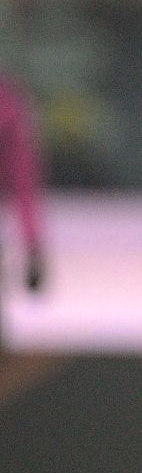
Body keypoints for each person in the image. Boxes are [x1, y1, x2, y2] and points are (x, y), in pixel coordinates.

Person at [0, 68, 46, 348]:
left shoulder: (12, 107)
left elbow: (24, 186)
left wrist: (33, 252)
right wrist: (33, 250)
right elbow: (25, 188)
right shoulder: (13, 106)